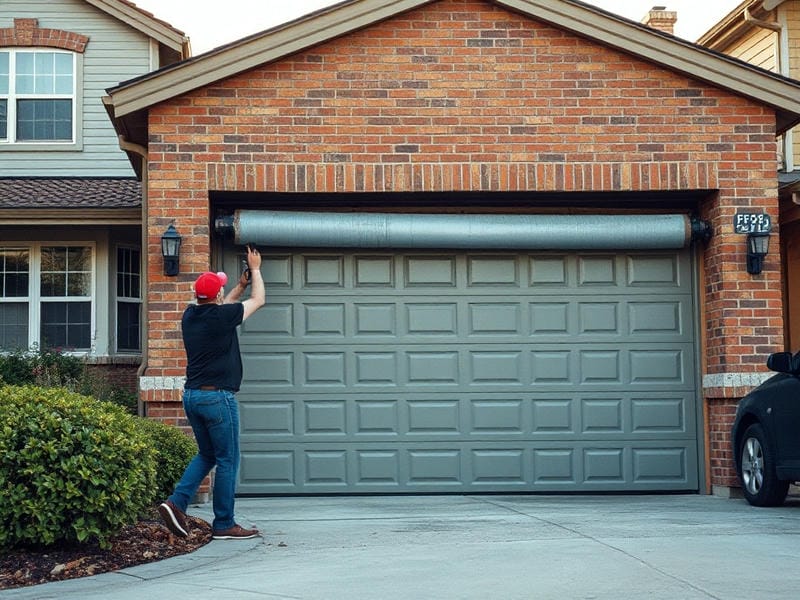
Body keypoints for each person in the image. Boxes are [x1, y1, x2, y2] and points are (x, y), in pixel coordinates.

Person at [158, 245, 265, 540]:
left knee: (207, 453)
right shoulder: (220, 317)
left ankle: (176, 503)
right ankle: (224, 523)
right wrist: (254, 270)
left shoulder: (190, 315)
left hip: (192, 396)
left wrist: (239, 285)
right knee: (228, 458)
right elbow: (259, 300)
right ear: (217, 295)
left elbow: (225, 306)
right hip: (217, 398)